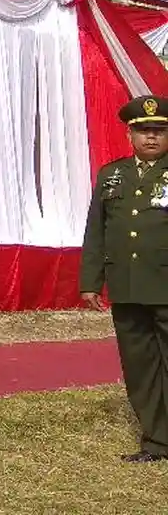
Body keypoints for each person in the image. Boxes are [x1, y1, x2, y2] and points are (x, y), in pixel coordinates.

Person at [81, 94, 168, 463]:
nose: (151, 138)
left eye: (160, 131)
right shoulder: (111, 174)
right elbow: (96, 231)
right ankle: (157, 441)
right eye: (143, 131)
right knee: (140, 367)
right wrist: (90, 280)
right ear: (130, 135)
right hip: (128, 286)